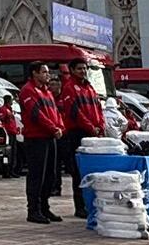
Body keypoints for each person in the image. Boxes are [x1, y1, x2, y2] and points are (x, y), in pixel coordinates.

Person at [20, 64, 65, 224]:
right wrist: (53, 128)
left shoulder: (47, 92)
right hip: (36, 138)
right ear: (35, 73)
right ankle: (33, 210)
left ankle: (45, 207)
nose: (48, 75)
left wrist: (60, 126)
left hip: (49, 136)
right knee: (37, 175)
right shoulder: (28, 90)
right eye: (44, 72)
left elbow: (55, 112)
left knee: (50, 175)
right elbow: (36, 114)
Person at [60, 61, 104, 218]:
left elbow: (98, 108)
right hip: (78, 133)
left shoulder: (90, 87)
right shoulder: (69, 88)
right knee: (79, 172)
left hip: (93, 133)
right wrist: (91, 127)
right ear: (71, 70)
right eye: (79, 69)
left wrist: (101, 125)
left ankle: (92, 204)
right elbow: (75, 113)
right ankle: (80, 207)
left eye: (84, 68)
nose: (83, 71)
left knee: (93, 170)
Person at [0, 94, 23, 177]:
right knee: (9, 153)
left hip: (13, 132)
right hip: (8, 133)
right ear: (8, 101)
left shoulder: (10, 110)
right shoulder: (3, 109)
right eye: (11, 100)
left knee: (13, 153)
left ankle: (11, 170)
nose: (12, 101)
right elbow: (1, 119)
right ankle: (6, 171)